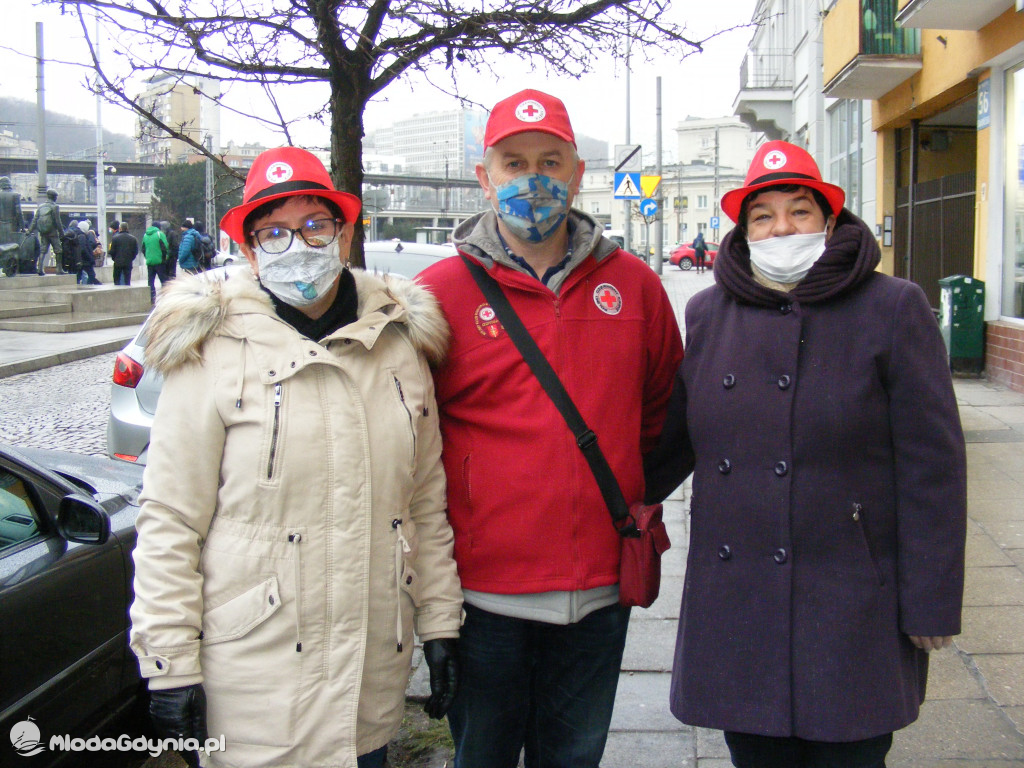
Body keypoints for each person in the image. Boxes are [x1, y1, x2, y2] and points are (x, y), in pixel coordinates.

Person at [129, 146, 462, 768]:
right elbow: (171, 518)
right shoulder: (212, 350)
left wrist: (440, 623)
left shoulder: (398, 345)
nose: (299, 244)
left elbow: (423, 503)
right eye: (274, 232)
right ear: (250, 250)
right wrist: (169, 663)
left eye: (315, 224)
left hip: (367, 678)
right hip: (255, 684)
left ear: (343, 231)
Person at [644, 140, 967, 768]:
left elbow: (934, 470)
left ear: (830, 221)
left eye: (800, 210)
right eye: (763, 215)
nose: (781, 227)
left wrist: (931, 602)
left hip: (850, 602)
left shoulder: (892, 307)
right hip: (740, 604)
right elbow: (672, 441)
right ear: (743, 229)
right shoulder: (709, 312)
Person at [417, 89, 683, 768]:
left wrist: (616, 495)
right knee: (484, 757)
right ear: (485, 177)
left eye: (550, 160)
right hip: (484, 595)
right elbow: (413, 444)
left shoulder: (635, 286)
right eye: (514, 162)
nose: (533, 177)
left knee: (574, 757)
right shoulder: (439, 294)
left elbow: (660, 415)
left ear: (576, 173)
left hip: (599, 587)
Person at [27, 189, 62, 274]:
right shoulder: (55, 206)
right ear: (54, 197)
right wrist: (61, 232)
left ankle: (39, 269)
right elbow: (58, 221)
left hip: (43, 232)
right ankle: (58, 269)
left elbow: (35, 220)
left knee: (43, 250)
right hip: (53, 232)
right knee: (58, 250)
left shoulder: (41, 206)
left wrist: (29, 230)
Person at [142, 222, 170, 303]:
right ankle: (165, 297)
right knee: (163, 280)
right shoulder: (159, 234)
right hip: (159, 261)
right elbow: (165, 247)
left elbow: (143, 249)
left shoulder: (145, 235)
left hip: (150, 262)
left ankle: (152, 297)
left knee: (150, 281)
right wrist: (165, 258)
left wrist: (148, 257)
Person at [109, 221, 140, 286]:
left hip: (117, 262)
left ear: (120, 228)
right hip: (128, 262)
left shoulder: (115, 238)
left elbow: (112, 251)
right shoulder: (133, 239)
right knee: (127, 280)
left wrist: (115, 259)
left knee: (117, 280)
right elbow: (135, 251)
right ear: (127, 228)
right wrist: (131, 258)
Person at [75, 219, 101, 285]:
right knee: (91, 274)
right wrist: (90, 257)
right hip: (85, 260)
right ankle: (88, 286)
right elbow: (83, 248)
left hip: (81, 260)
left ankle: (80, 286)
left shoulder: (79, 235)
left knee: (79, 275)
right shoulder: (82, 236)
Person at [0, 176, 24, 247]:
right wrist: (22, 227)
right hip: (13, 227)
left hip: (1, 227)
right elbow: (18, 212)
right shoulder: (15, 195)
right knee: (13, 246)